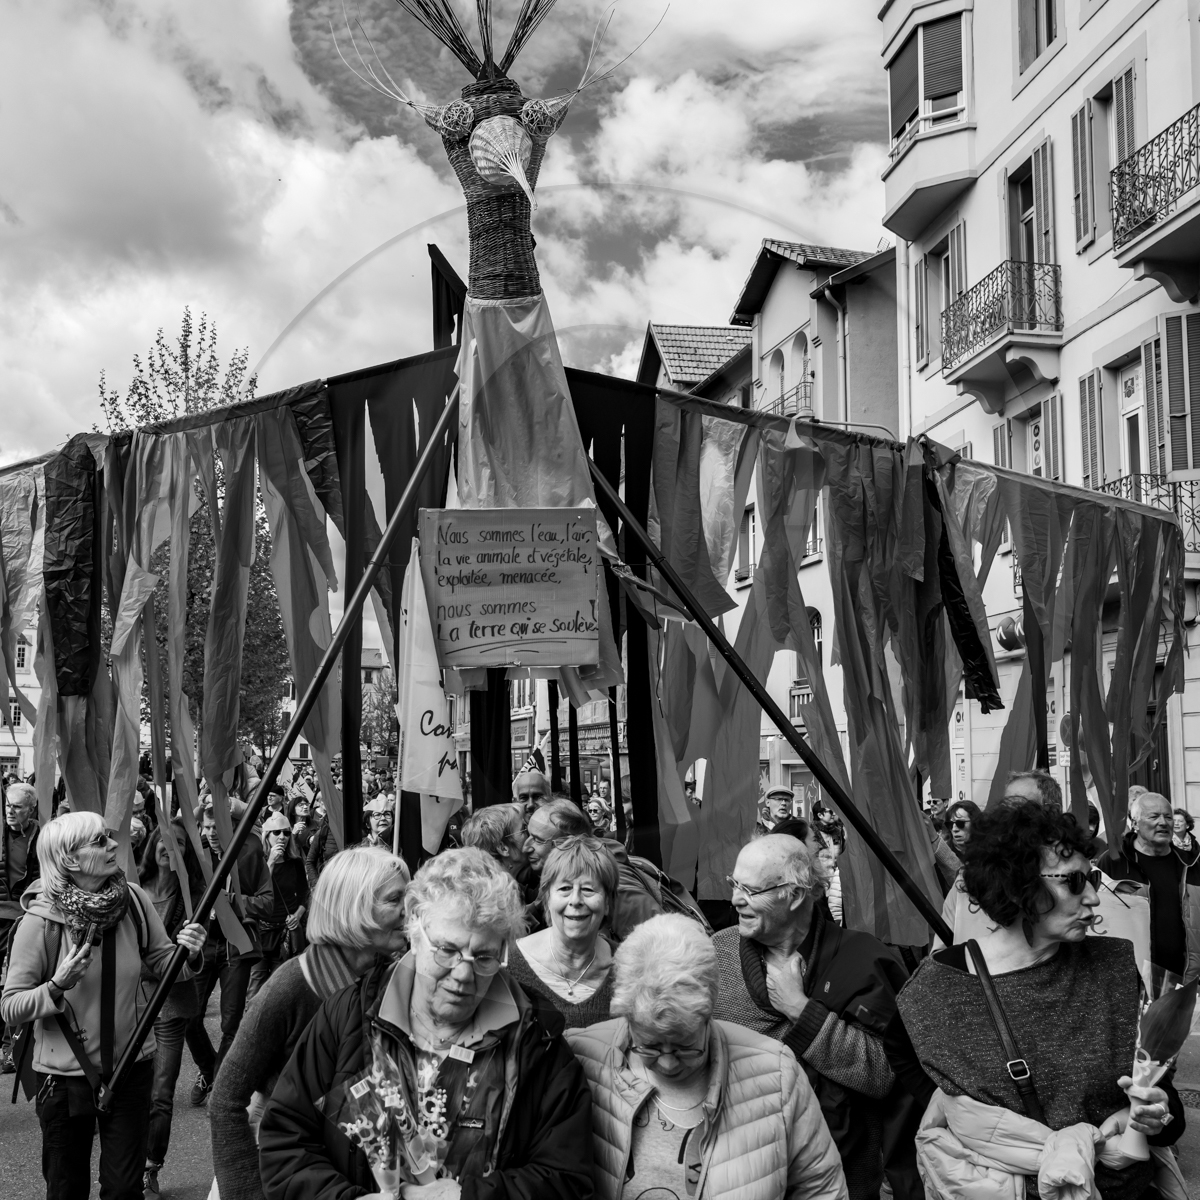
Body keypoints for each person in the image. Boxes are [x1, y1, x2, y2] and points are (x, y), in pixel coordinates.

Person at [258, 847, 595, 1199]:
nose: (463, 974)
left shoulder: (536, 1038)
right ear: (414, 932)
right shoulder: (348, 1017)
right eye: (447, 950)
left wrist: (465, 1198)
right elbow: (285, 1140)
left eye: (483, 957)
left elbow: (566, 1178)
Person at [891, 803, 1186, 1199]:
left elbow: (1163, 1095)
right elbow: (899, 1053)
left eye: (1093, 879)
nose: (1095, 898)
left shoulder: (1114, 966)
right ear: (1016, 886)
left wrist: (1157, 1114)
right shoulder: (937, 989)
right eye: (1075, 881)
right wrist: (960, 1115)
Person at [566, 913, 848, 1200]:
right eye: (649, 1046)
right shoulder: (581, 1058)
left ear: (709, 1013)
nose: (667, 1062)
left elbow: (822, 1189)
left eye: (684, 1046)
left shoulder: (775, 1073)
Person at [1, 811, 207, 1200]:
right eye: (100, 841)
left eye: (109, 838)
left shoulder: (133, 901)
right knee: (66, 1190)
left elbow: (165, 966)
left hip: (131, 1069)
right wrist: (56, 985)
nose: (114, 845)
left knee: (124, 1190)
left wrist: (188, 953)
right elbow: (10, 1006)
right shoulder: (39, 922)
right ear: (69, 859)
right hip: (62, 1081)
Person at [711, 834, 908, 1200]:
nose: (736, 899)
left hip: (844, 1176)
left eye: (751, 890)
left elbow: (884, 1074)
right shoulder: (715, 954)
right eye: (734, 884)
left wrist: (800, 1010)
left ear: (796, 894)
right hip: (740, 1172)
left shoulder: (862, 958)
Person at [210, 846, 411, 1200]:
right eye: (396, 899)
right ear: (355, 906)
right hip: (281, 1164)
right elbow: (226, 1099)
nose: (409, 910)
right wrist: (247, 1193)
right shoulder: (291, 985)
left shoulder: (390, 977)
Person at [185, 805, 273, 1107]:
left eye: (215, 827)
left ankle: (221, 1087)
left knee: (231, 1023)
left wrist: (232, 901)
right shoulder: (195, 855)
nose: (210, 834)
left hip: (236, 947)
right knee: (188, 1016)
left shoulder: (249, 855)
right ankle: (209, 1069)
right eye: (205, 827)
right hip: (203, 943)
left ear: (231, 827)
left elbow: (268, 903)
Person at [139, 820, 206, 1198]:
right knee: (130, 1088)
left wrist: (147, 965)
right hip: (128, 1007)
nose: (169, 848)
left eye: (178, 843)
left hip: (169, 1008)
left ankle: (150, 1167)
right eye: (163, 841)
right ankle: (122, 1160)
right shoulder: (132, 889)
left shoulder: (193, 896)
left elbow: (187, 963)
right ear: (152, 846)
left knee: (161, 1093)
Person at [526, 797, 673, 941]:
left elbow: (666, 946)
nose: (525, 847)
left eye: (537, 840)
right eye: (527, 835)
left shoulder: (617, 886)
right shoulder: (569, 874)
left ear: (567, 843)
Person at [509, 836, 617, 1027]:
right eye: (565, 888)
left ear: (607, 903)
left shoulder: (628, 967)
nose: (575, 900)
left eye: (588, 889)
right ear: (547, 898)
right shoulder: (510, 967)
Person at [1099, 791, 1200, 982]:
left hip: (1184, 981)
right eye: (1154, 816)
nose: (1163, 822)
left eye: (1168, 817)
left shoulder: (1191, 864)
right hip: (1130, 980)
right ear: (1135, 823)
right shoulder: (1114, 862)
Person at [0, 781, 41, 1073]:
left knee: (16, 983)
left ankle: (10, 1047)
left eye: (18, 807)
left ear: (32, 808)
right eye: (8, 805)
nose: (11, 812)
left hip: (25, 918)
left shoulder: (44, 837)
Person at [248, 811, 310, 1001]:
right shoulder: (257, 861)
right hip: (260, 932)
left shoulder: (295, 862)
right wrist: (271, 862)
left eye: (286, 832)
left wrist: (298, 915)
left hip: (285, 934)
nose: (282, 837)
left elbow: (304, 895)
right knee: (255, 988)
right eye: (276, 832)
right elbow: (252, 891)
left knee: (279, 989)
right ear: (267, 835)